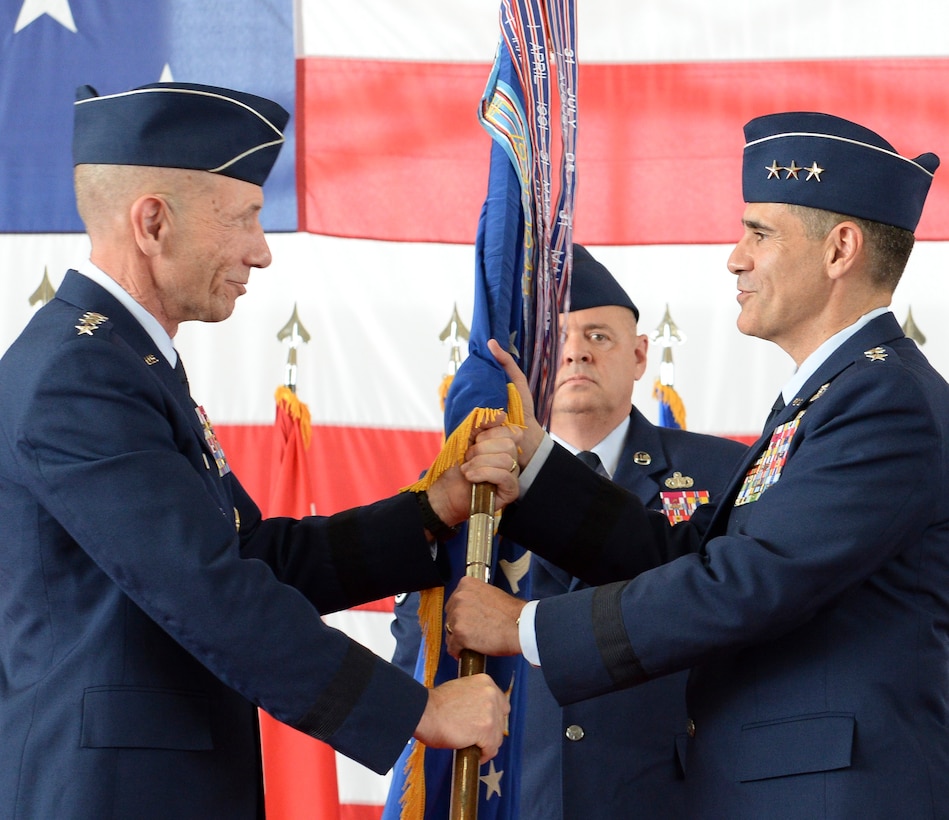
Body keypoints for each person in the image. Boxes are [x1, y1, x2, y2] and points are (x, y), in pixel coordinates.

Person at [0, 81, 520, 819]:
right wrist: (417, 711)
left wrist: (428, 514)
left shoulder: (122, 364)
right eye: (243, 217)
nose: (262, 250)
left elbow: (255, 560)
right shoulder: (77, 377)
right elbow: (204, 587)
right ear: (153, 222)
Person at [446, 112, 949, 817]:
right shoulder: (834, 394)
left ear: (840, 250)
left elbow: (747, 582)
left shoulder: (881, 401)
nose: (734, 258)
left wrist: (525, 626)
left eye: (759, 232)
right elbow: (688, 553)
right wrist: (538, 466)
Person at [390, 245, 746, 817]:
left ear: (638, 355)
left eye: (599, 336)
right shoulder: (469, 488)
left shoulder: (724, 474)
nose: (577, 353)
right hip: (512, 791)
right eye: (560, 340)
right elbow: (422, 644)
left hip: (672, 793)